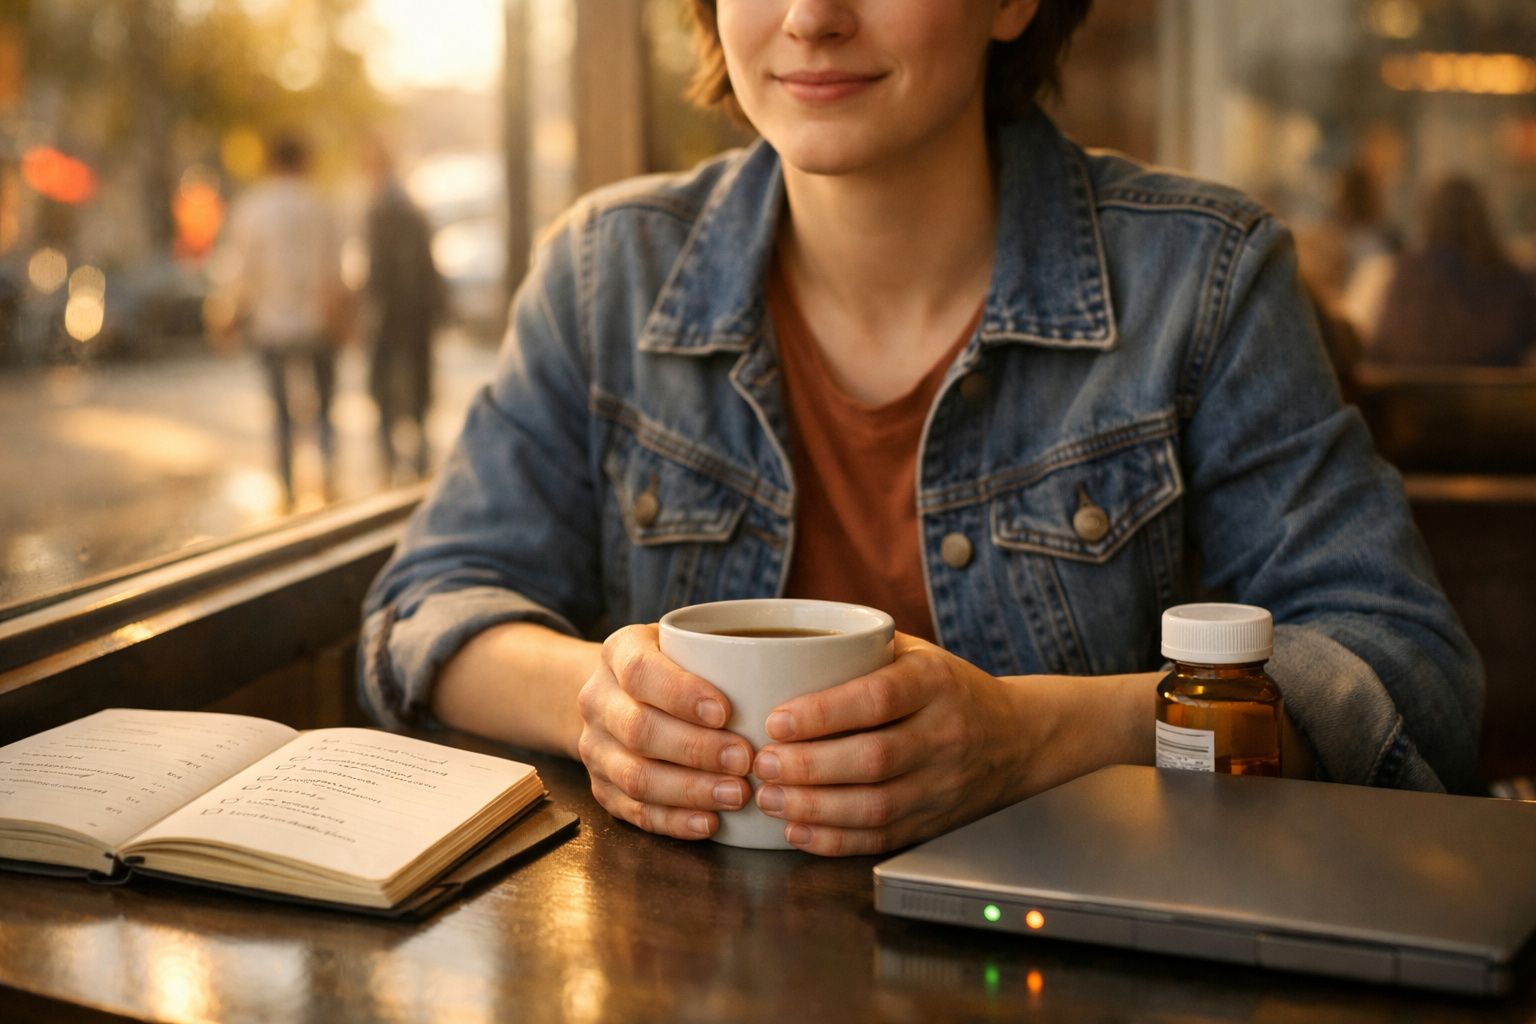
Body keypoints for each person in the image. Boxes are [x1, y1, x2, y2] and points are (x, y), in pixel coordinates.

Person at [360, 0, 1482, 856]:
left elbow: (1407, 679)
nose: (810, 18)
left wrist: (1030, 738)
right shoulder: (606, 269)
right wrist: (592, 702)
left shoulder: (1205, 278)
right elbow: (430, 604)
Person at [214, 132, 350, 506]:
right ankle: (328, 476)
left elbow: (240, 272)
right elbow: (335, 272)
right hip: (316, 322)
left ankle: (288, 486)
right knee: (323, 406)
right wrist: (340, 318)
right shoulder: (320, 206)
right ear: (304, 160)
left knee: (280, 413)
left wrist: (228, 315)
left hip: (271, 324)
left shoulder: (253, 209)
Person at [1369, 176, 1535, 367]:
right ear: (1483, 217)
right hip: (1496, 393)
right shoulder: (1507, 278)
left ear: (1428, 218)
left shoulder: (1408, 274)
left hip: (1410, 393)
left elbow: (1381, 348)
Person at [362, 139, 445, 484]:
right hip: (415, 313)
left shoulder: (385, 208)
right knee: (414, 389)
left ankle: (395, 463)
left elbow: (383, 269)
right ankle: (416, 460)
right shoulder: (408, 204)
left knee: (389, 388)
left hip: (396, 313)